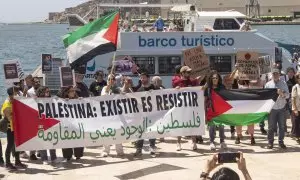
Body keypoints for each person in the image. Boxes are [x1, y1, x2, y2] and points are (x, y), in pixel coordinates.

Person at [173, 66, 202, 151]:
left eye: (190, 72)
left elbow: (198, 90)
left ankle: (193, 142)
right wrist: (175, 89)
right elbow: (172, 92)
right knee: (180, 125)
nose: (189, 74)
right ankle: (178, 143)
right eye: (187, 72)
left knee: (192, 124)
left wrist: (198, 82)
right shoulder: (176, 82)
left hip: (191, 107)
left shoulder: (192, 81)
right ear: (182, 73)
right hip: (181, 107)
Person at [2, 87, 27, 170]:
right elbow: (9, 116)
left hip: (15, 127)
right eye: (15, 93)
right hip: (10, 128)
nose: (16, 94)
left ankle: (17, 161)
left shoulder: (13, 101)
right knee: (10, 145)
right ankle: (8, 163)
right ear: (11, 94)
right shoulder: (7, 103)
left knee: (17, 145)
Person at [134, 72, 158, 156]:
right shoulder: (139, 90)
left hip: (153, 115)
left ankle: (152, 148)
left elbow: (163, 95)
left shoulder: (154, 88)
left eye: (143, 77)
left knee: (152, 132)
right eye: (141, 78)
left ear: (148, 78)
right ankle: (139, 149)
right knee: (141, 132)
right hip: (142, 115)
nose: (142, 79)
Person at [265, 68, 289, 149]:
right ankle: (270, 142)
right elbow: (265, 98)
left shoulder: (283, 83)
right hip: (272, 108)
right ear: (272, 74)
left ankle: (281, 142)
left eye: (277, 73)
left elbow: (288, 95)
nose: (275, 75)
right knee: (271, 126)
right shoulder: (268, 84)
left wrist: (282, 93)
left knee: (282, 126)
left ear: (279, 75)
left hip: (281, 108)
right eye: (274, 73)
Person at [101, 74, 124, 157]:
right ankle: (105, 151)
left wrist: (125, 85)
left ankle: (119, 151)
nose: (111, 80)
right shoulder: (104, 88)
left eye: (113, 79)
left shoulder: (118, 89)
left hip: (117, 115)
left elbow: (123, 94)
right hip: (107, 115)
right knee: (107, 133)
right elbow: (103, 96)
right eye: (109, 79)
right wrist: (108, 86)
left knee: (118, 132)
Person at [205, 71, 227, 151]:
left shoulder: (222, 87)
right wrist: (205, 113)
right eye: (213, 78)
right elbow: (205, 100)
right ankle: (211, 142)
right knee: (212, 127)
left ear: (219, 79)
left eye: (216, 78)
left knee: (221, 126)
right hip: (210, 110)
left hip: (220, 110)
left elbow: (226, 98)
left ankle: (222, 141)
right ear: (211, 79)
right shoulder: (208, 89)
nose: (215, 79)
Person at [61, 86, 85, 161]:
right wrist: (64, 102)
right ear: (67, 93)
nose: (73, 92)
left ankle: (78, 155)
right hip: (66, 124)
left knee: (78, 138)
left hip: (76, 123)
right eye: (71, 91)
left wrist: (81, 101)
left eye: (74, 91)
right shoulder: (62, 100)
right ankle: (68, 156)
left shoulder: (78, 99)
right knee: (67, 139)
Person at [36, 86, 57, 164]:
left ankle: (53, 157)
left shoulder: (51, 100)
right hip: (41, 123)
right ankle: (44, 158)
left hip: (50, 123)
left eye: (48, 92)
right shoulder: (37, 101)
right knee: (43, 141)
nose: (48, 93)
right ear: (41, 92)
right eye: (46, 92)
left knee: (52, 140)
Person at [26, 77, 41, 160]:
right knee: (33, 135)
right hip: (32, 115)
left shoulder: (42, 89)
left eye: (38, 82)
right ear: (32, 83)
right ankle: (32, 153)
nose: (37, 83)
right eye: (36, 82)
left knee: (41, 133)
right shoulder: (29, 92)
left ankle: (40, 151)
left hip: (41, 115)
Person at [291, 73, 300, 144]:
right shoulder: (295, 87)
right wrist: (295, 109)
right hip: (297, 109)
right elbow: (293, 98)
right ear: (297, 79)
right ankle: (297, 137)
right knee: (297, 124)